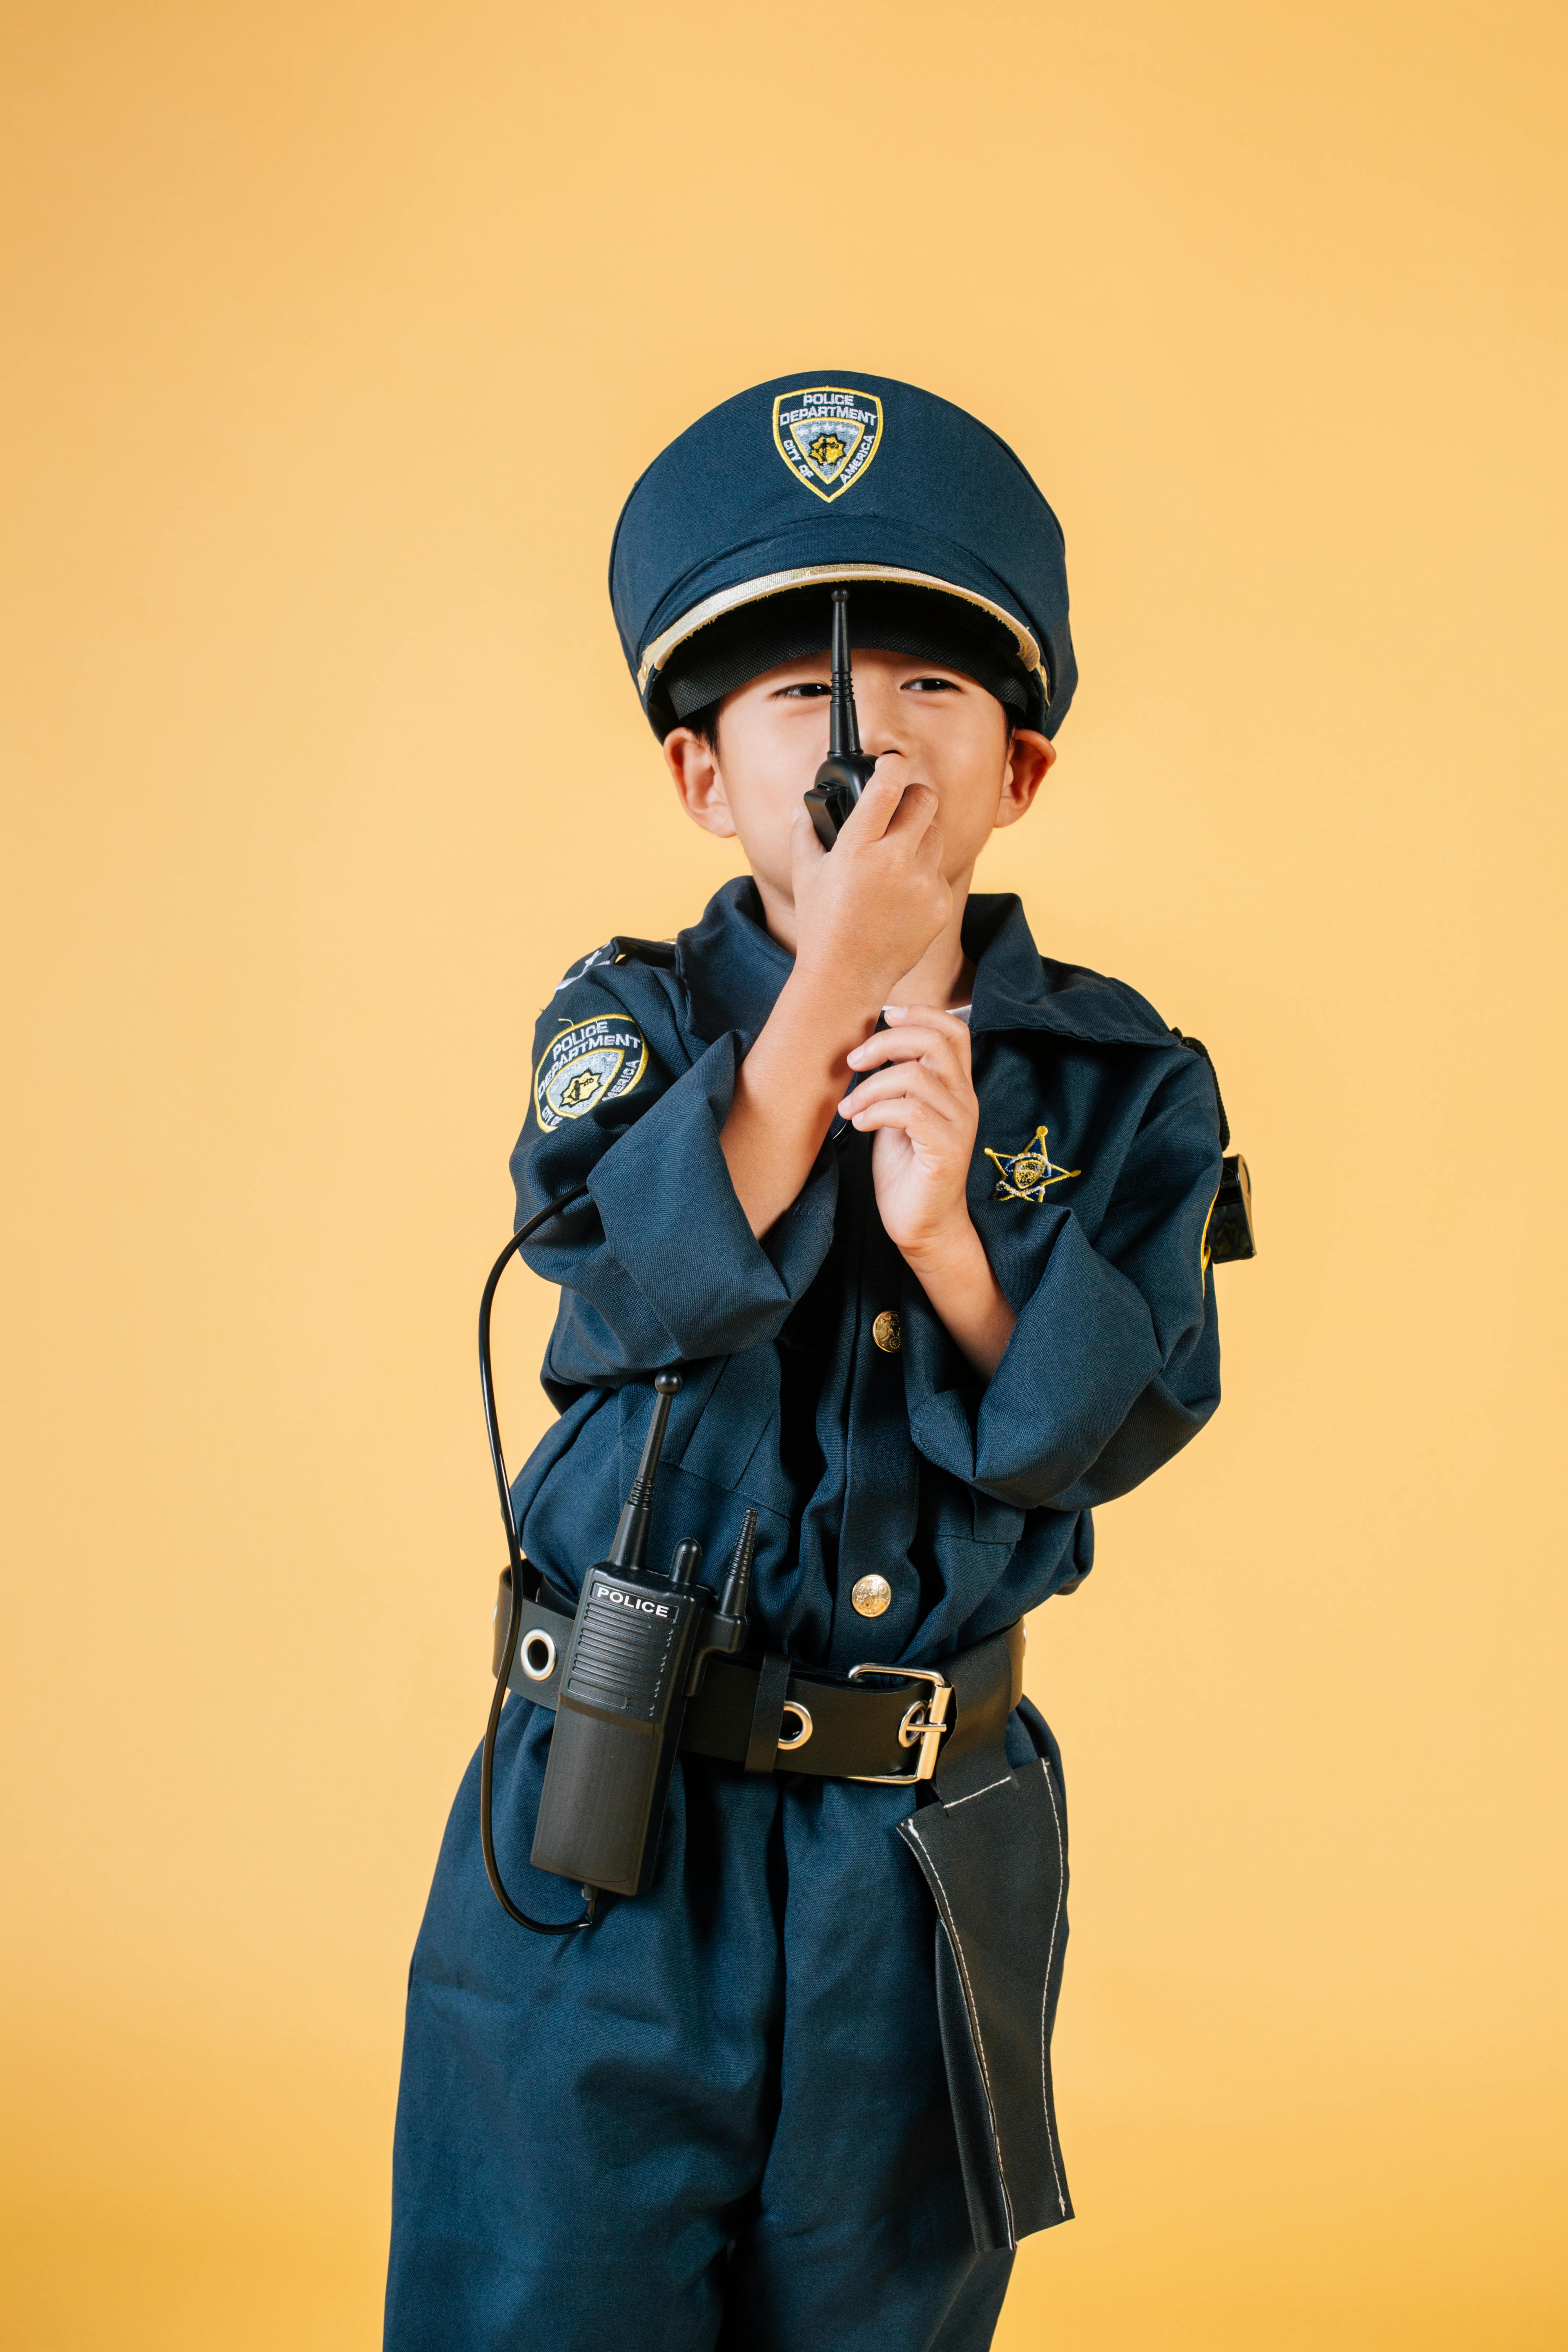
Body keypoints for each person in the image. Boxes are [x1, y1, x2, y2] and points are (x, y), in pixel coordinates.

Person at [384, 372, 1226, 2352]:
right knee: (540, 2295)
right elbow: (616, 1279)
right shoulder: (629, 1017)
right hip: (607, 1835)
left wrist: (953, 1242)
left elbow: (1123, 1417)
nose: (871, 744)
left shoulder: (1117, 1084)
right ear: (701, 778)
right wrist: (830, 982)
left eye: (937, 688)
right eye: (800, 702)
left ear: (1021, 766)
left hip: (916, 1865)